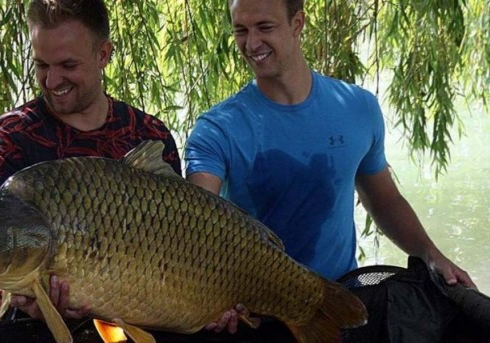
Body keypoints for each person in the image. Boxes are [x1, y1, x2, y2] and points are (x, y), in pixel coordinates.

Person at [185, 0, 477, 333]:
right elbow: (194, 224)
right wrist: (204, 298)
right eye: (241, 30)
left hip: (339, 300)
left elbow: (384, 201)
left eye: (265, 28)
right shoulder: (216, 128)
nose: (251, 44)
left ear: (297, 24)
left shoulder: (358, 107)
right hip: (253, 311)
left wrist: (430, 253)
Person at [0, 0, 181, 322]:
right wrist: (30, 300)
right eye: (41, 65)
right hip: (31, 333)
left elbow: (179, 252)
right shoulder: (3, 144)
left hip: (136, 323)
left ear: (103, 55)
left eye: (68, 65)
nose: (52, 81)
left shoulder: (148, 135)